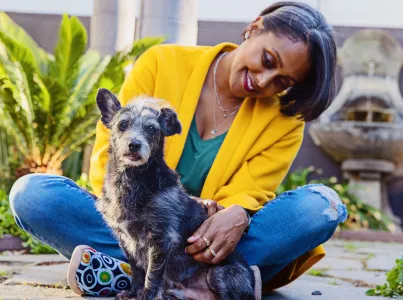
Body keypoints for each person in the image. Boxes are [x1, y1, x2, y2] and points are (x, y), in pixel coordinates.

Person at [9, 1, 347, 298]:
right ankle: (183, 285)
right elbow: (109, 158)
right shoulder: (161, 62)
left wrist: (237, 213)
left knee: (321, 206)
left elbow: (251, 193)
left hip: (209, 248)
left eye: (282, 82)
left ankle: (145, 278)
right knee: (33, 195)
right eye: (267, 60)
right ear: (254, 27)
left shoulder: (283, 122)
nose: (263, 81)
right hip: (138, 224)